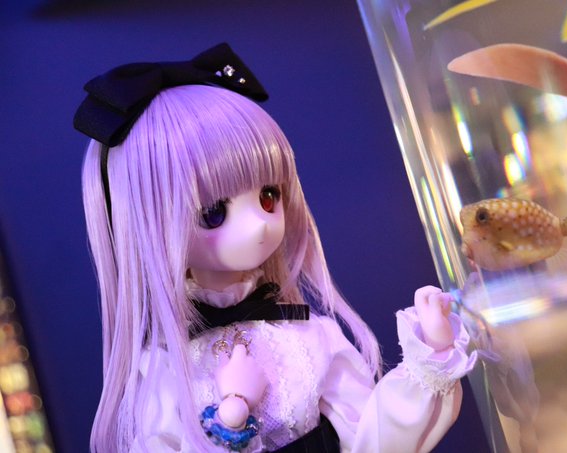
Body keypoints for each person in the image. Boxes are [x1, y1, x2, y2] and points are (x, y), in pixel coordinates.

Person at [75, 43, 477, 453]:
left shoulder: (308, 337)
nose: (258, 225)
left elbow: (373, 441)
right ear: (148, 226)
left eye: (268, 197)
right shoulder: (163, 366)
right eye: (213, 213)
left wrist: (431, 355)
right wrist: (231, 415)